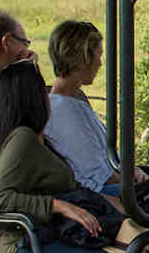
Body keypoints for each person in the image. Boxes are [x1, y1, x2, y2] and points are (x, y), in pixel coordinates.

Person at [0, 61, 124, 253]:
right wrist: (58, 206)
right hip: (26, 249)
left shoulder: (39, 141)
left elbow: (69, 188)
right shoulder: (22, 139)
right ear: (33, 99)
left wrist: (114, 203)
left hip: (54, 237)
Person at [43, 20, 119, 196]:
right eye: (98, 55)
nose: (100, 63)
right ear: (83, 58)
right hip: (97, 195)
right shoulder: (61, 110)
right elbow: (100, 174)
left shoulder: (75, 102)